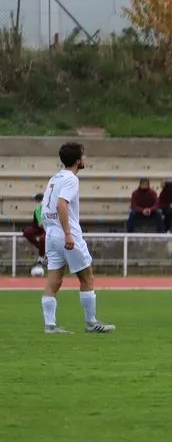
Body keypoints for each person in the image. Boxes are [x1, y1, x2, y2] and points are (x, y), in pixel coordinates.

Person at [39, 142, 114, 334]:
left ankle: (50, 326)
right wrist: (68, 234)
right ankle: (91, 322)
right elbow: (61, 204)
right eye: (84, 155)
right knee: (87, 276)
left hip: (52, 233)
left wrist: (51, 229)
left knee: (54, 280)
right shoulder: (71, 179)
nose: (86, 158)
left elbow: (44, 207)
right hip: (66, 233)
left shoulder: (54, 178)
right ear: (78, 160)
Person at [22, 193, 46, 266]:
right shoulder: (38, 208)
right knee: (27, 233)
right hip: (38, 227)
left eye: (35, 199)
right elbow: (38, 223)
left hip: (47, 228)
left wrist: (41, 223)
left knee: (42, 239)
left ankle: (41, 257)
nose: (35, 200)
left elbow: (41, 223)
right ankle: (42, 248)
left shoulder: (44, 206)